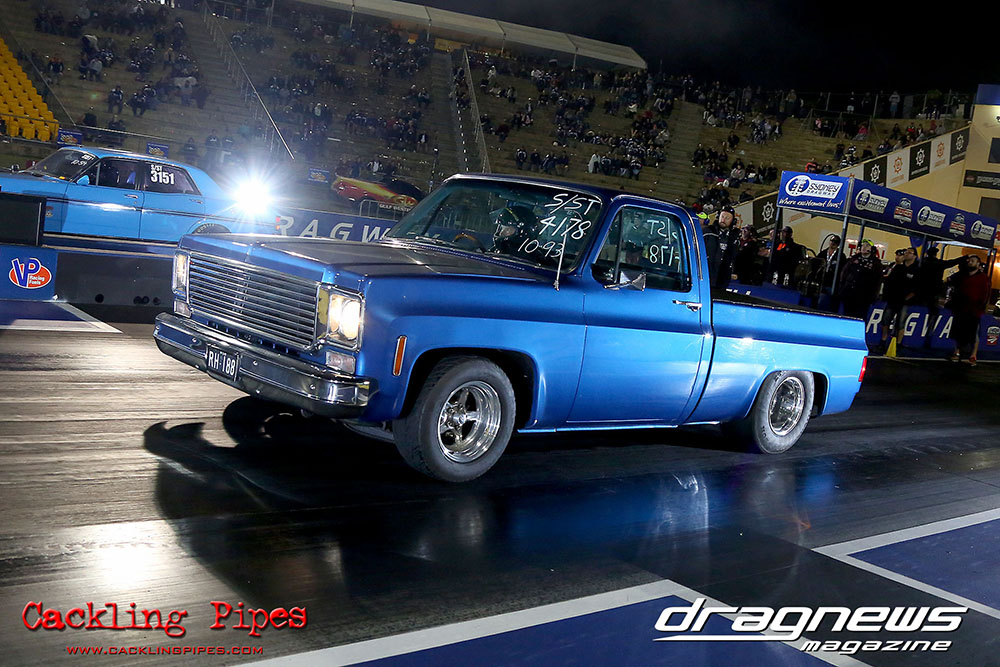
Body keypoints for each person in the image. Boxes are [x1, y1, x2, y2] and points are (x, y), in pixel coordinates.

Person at [946, 255, 990, 366]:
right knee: (958, 332)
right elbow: (950, 282)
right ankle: (957, 352)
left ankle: (973, 355)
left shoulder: (983, 278)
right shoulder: (963, 275)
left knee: (973, 333)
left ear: (978, 264)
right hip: (961, 308)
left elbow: (985, 294)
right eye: (969, 261)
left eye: (973, 261)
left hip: (974, 310)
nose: (970, 262)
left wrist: (981, 306)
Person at [916, 246, 964, 348]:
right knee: (932, 314)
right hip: (933, 292)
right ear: (935, 254)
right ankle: (928, 336)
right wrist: (964, 258)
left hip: (921, 291)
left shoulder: (922, 263)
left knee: (918, 312)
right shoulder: (939, 263)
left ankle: (918, 334)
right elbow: (952, 262)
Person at [877, 247, 919, 354]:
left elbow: (917, 288)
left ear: (914, 256)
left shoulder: (916, 270)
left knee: (900, 323)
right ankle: (883, 341)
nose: (906, 254)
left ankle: (898, 344)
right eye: (905, 252)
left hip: (905, 301)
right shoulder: (899, 267)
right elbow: (890, 281)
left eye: (909, 253)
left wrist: (907, 298)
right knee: (885, 320)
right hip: (893, 299)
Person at [839, 240, 883, 320]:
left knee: (860, 317)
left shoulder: (876, 263)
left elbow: (877, 281)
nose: (864, 247)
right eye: (863, 245)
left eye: (867, 246)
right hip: (849, 294)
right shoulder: (854, 258)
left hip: (864, 297)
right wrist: (842, 287)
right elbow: (844, 272)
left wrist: (873, 296)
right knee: (847, 316)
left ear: (872, 249)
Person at [703, 205, 739, 288]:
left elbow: (734, 256)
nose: (723, 220)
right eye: (722, 216)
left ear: (733, 221)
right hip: (706, 274)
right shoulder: (708, 232)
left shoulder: (734, 237)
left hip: (723, 278)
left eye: (727, 218)